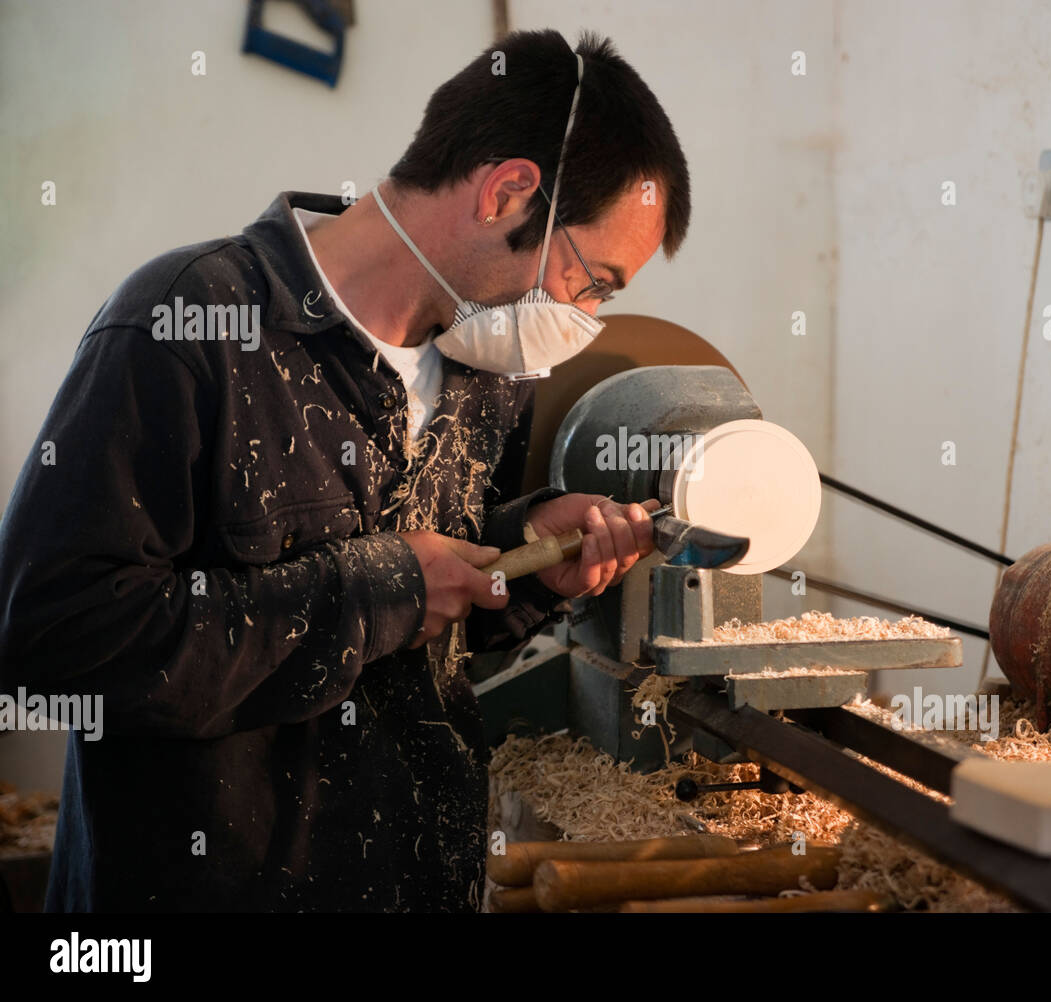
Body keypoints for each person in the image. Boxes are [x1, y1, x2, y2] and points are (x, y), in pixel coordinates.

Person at [0, 28, 690, 912]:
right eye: (592, 279)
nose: (585, 314)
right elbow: (56, 646)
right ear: (509, 192)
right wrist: (378, 589)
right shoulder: (192, 324)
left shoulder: (488, 373)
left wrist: (518, 560)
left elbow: (411, 644)